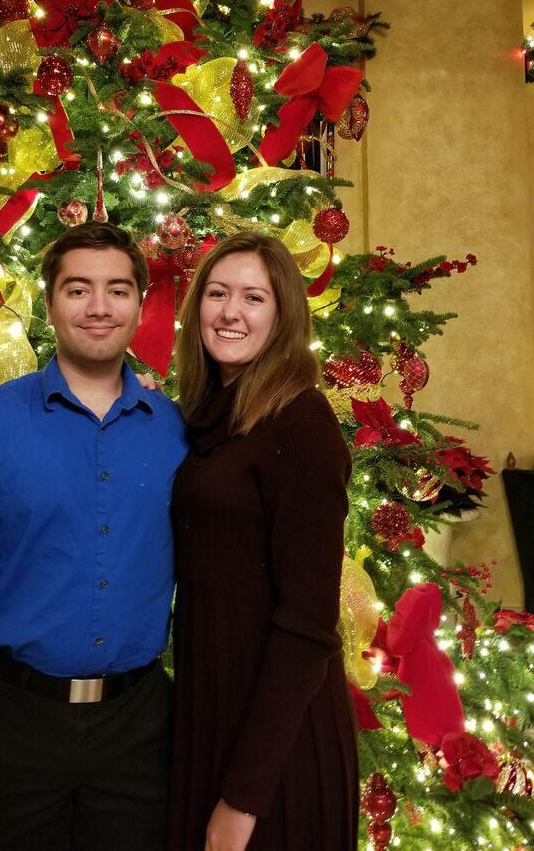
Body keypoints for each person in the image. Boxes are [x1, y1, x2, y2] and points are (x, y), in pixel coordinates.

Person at [0, 221, 187, 851]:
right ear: (51, 303)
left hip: (140, 727)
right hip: (10, 724)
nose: (98, 307)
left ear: (141, 304)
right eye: (78, 289)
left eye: (117, 290)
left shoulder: (177, 432)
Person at [167, 232, 357, 851]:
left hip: (279, 747)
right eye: (217, 294)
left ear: (282, 317)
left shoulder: (300, 423)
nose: (230, 312)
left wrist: (245, 796)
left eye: (254, 297)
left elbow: (308, 627)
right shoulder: (211, 414)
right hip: (213, 712)